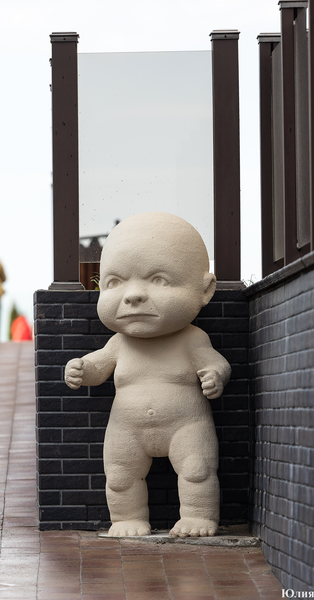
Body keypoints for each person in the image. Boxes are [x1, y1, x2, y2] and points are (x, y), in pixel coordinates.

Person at [64, 213, 229, 538]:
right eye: (115, 283)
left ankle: (199, 515)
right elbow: (98, 367)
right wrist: (83, 369)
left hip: (187, 424)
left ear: (205, 290)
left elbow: (217, 363)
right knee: (120, 476)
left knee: (197, 470)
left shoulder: (192, 338)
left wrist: (214, 375)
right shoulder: (119, 343)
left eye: (158, 280)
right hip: (127, 428)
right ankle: (127, 519)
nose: (133, 295)